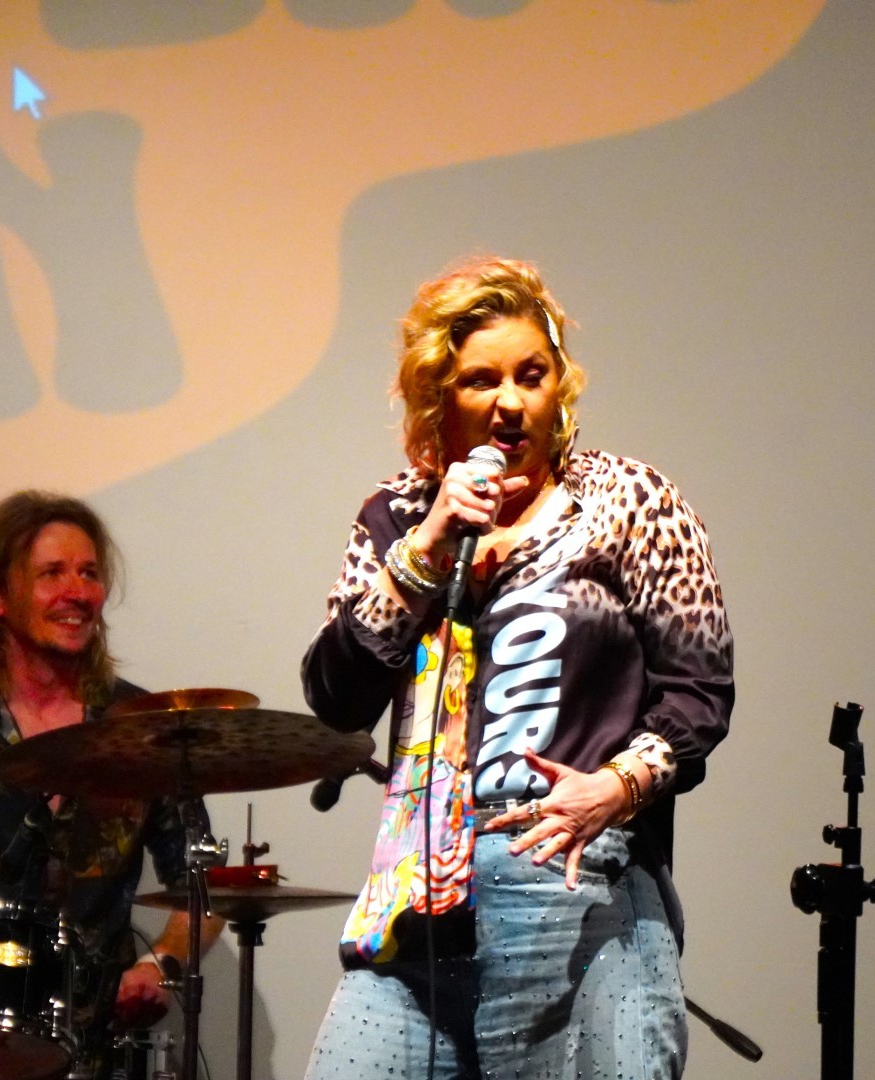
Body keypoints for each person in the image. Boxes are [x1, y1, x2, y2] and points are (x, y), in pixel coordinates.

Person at [302, 255, 734, 1079]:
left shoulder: (625, 499)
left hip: (571, 881)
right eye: (481, 380)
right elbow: (336, 696)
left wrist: (615, 788)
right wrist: (423, 551)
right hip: (419, 898)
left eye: (530, 375)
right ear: (438, 400)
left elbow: (699, 691)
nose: (510, 402)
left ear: (556, 386)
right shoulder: (397, 516)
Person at [0, 491, 218, 1079]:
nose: (77, 592)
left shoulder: (142, 731)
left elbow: (201, 887)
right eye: (51, 573)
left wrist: (160, 965)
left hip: (101, 1047)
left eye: (88, 573)